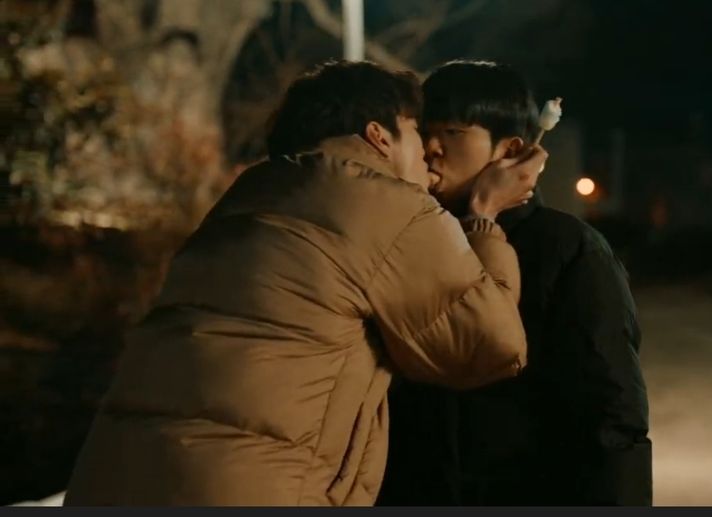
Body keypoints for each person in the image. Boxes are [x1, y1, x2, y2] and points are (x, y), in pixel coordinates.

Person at [63, 59, 547, 506]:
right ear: (380, 137)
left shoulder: (244, 200)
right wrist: (483, 217)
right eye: (416, 133)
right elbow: (491, 344)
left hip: (114, 477)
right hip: (247, 488)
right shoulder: (384, 204)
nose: (428, 152)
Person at [377, 60, 652, 506]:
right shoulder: (408, 239)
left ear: (510, 150)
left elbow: (611, 410)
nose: (431, 148)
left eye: (452, 132)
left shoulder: (565, 247)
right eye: (425, 131)